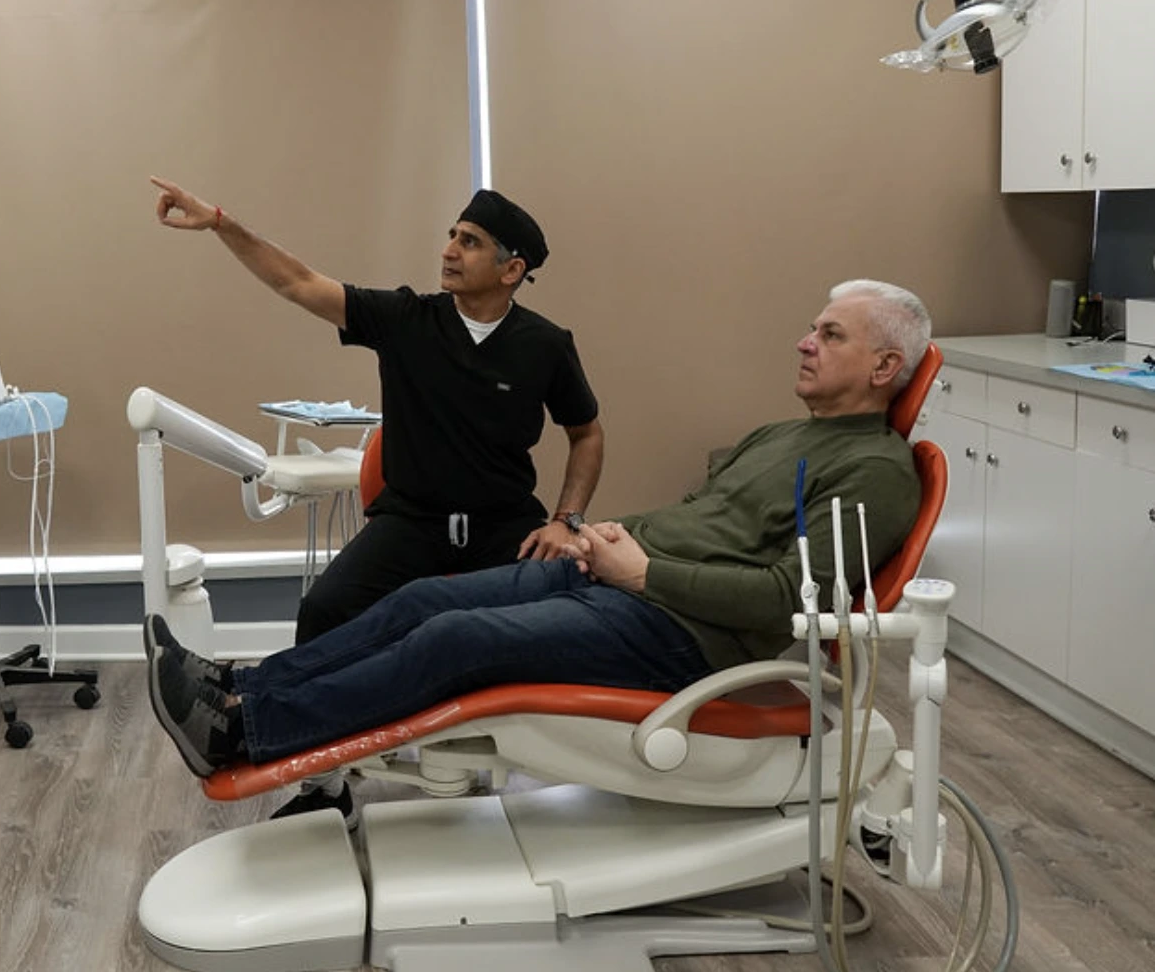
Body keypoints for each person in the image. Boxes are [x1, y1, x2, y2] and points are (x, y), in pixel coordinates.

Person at [143, 280, 930, 779]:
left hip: (682, 636)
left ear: (884, 367)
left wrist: (644, 574)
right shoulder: (779, 435)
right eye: (813, 327)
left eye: (831, 335)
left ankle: (242, 732)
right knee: (423, 599)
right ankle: (239, 689)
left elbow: (787, 598)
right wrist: (593, 533)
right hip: (619, 582)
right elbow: (695, 520)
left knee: (455, 642)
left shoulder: (877, 472)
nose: (805, 342)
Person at [149, 176, 605, 640]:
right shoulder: (405, 319)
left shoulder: (546, 345)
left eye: (470, 242)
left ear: (511, 270)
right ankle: (273, 689)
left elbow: (586, 433)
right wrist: (220, 224)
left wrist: (566, 521)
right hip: (412, 525)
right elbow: (297, 282)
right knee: (324, 609)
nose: (448, 250)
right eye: (452, 235)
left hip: (503, 526)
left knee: (562, 614)